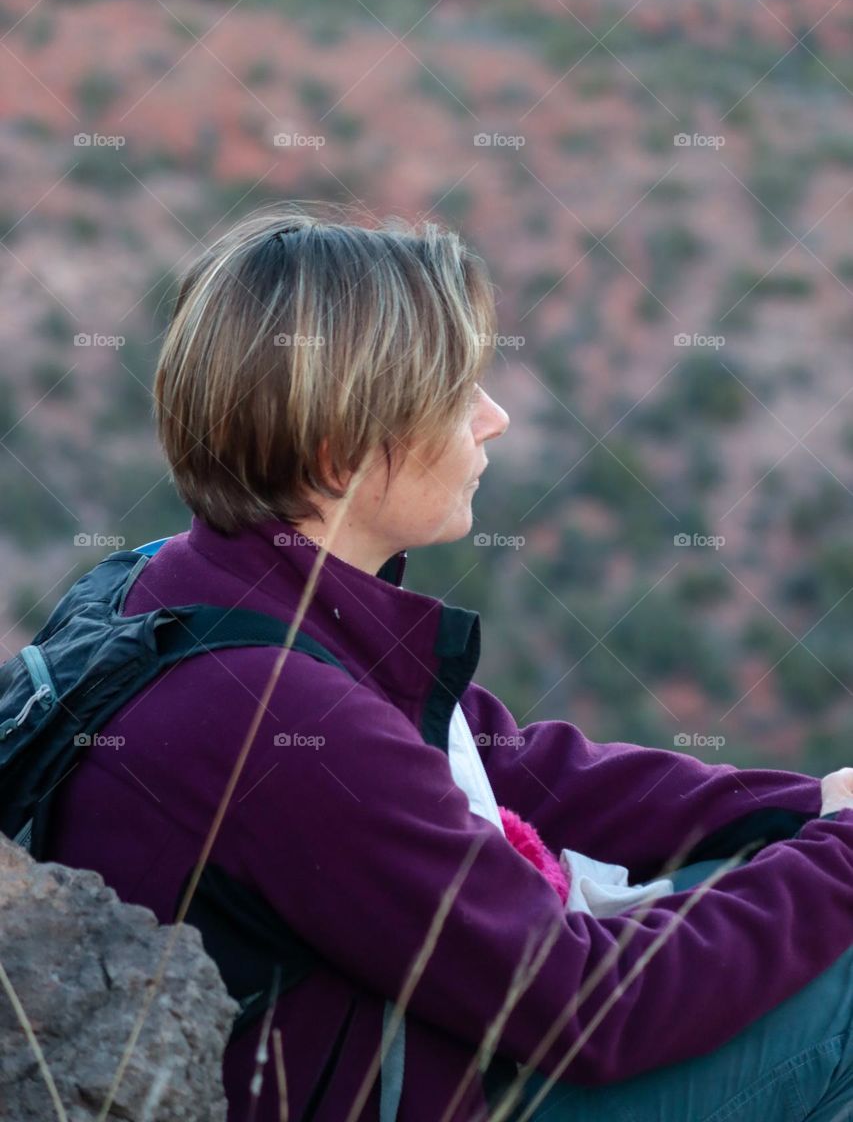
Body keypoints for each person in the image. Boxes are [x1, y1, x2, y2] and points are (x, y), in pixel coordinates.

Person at [44, 205, 853, 1122]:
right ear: (340, 452)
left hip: (395, 1044)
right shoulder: (275, 721)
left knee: (782, 898)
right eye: (458, 393)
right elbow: (582, 1008)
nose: (495, 419)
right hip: (429, 1088)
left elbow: (507, 763)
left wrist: (801, 807)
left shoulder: (173, 583)